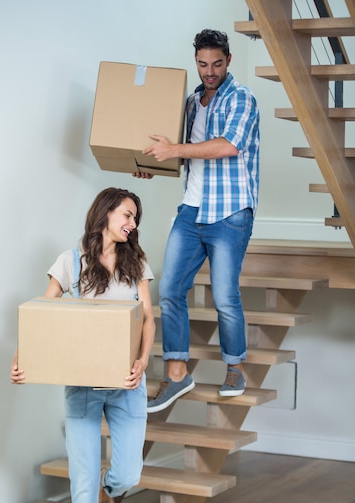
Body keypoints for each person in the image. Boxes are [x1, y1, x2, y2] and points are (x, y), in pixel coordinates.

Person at [11, 187, 155, 503]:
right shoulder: (70, 261)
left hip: (128, 383)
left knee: (127, 473)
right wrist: (21, 358)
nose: (132, 224)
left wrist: (142, 362)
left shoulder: (136, 261)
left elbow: (147, 320)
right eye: (127, 214)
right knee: (84, 472)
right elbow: (42, 313)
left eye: (135, 218)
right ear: (106, 212)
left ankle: (111, 495)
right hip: (83, 386)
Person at [136, 29, 260, 412]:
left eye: (217, 64)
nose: (210, 71)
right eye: (203, 64)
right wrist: (152, 164)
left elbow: (227, 145)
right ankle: (177, 375)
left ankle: (235, 367)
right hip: (192, 209)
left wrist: (175, 148)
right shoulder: (190, 102)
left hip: (230, 210)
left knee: (225, 296)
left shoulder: (242, 98)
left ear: (229, 60)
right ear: (196, 61)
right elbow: (185, 154)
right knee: (170, 289)